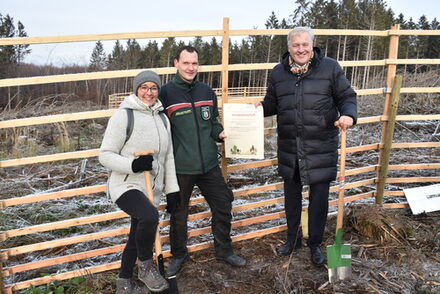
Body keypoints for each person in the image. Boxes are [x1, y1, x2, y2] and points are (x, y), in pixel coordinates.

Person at [257, 27, 357, 267]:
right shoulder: (278, 73)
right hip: (290, 148)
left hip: (320, 146)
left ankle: (314, 244)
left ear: (312, 45)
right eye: (295, 45)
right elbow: (273, 103)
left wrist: (349, 115)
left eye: (305, 45)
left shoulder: (330, 68)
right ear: (289, 48)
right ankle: (292, 240)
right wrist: (257, 108)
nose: (300, 49)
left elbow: (347, 96)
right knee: (291, 199)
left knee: (318, 201)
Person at [159, 45, 247, 276]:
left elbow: (213, 122)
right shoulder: (165, 94)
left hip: (209, 164)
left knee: (223, 204)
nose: (190, 67)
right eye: (186, 63)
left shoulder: (207, 91)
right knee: (178, 213)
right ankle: (179, 254)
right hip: (181, 167)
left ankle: (224, 251)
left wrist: (219, 133)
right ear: (176, 64)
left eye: (194, 63)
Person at [99, 70, 181, 293]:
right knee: (149, 216)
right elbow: (104, 155)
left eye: (153, 88)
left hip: (150, 188)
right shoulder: (124, 116)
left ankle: (124, 283)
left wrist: (172, 190)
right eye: (144, 87)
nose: (149, 92)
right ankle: (145, 266)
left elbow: (169, 157)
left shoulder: (163, 119)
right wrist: (133, 165)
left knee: (138, 232)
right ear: (136, 89)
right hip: (125, 185)